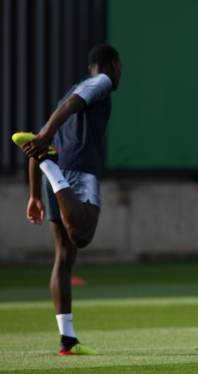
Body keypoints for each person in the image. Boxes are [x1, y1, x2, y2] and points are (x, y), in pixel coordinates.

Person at [14, 44, 122, 355]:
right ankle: (53, 170)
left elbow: (38, 144)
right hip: (78, 172)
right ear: (113, 64)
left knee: (64, 256)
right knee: (83, 235)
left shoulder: (67, 94)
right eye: (120, 67)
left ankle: (67, 339)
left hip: (55, 174)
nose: (119, 74)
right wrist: (46, 138)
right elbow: (55, 126)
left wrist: (34, 193)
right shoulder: (100, 82)